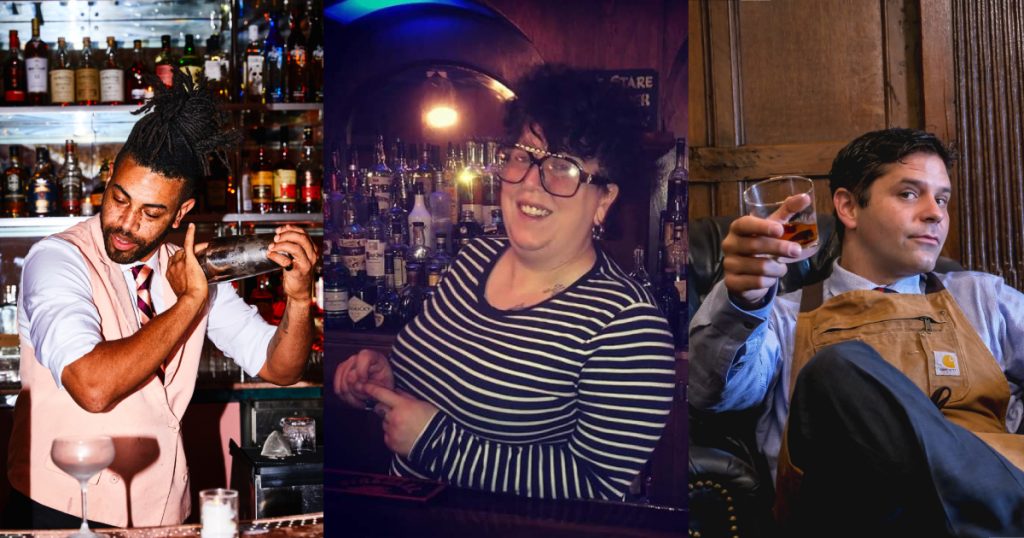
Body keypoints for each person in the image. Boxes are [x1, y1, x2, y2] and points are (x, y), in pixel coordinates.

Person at [333, 65, 676, 500]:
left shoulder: (628, 326)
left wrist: (435, 443)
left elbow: (598, 485)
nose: (532, 182)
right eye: (522, 156)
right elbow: (445, 385)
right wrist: (385, 383)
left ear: (604, 199)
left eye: (563, 167)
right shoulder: (475, 257)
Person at [4, 70, 317, 529]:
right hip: (66, 512)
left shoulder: (188, 265)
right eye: (119, 199)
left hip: (165, 511)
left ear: (182, 212)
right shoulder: (56, 259)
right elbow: (92, 387)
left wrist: (299, 300)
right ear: (110, 178)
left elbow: (280, 368)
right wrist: (189, 302)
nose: (127, 224)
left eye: (152, 213)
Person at [689, 128, 1024, 536]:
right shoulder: (781, 317)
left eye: (941, 198)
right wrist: (743, 300)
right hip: (858, 518)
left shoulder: (985, 298)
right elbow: (707, 392)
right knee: (838, 366)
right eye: (908, 193)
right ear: (848, 207)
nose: (935, 212)